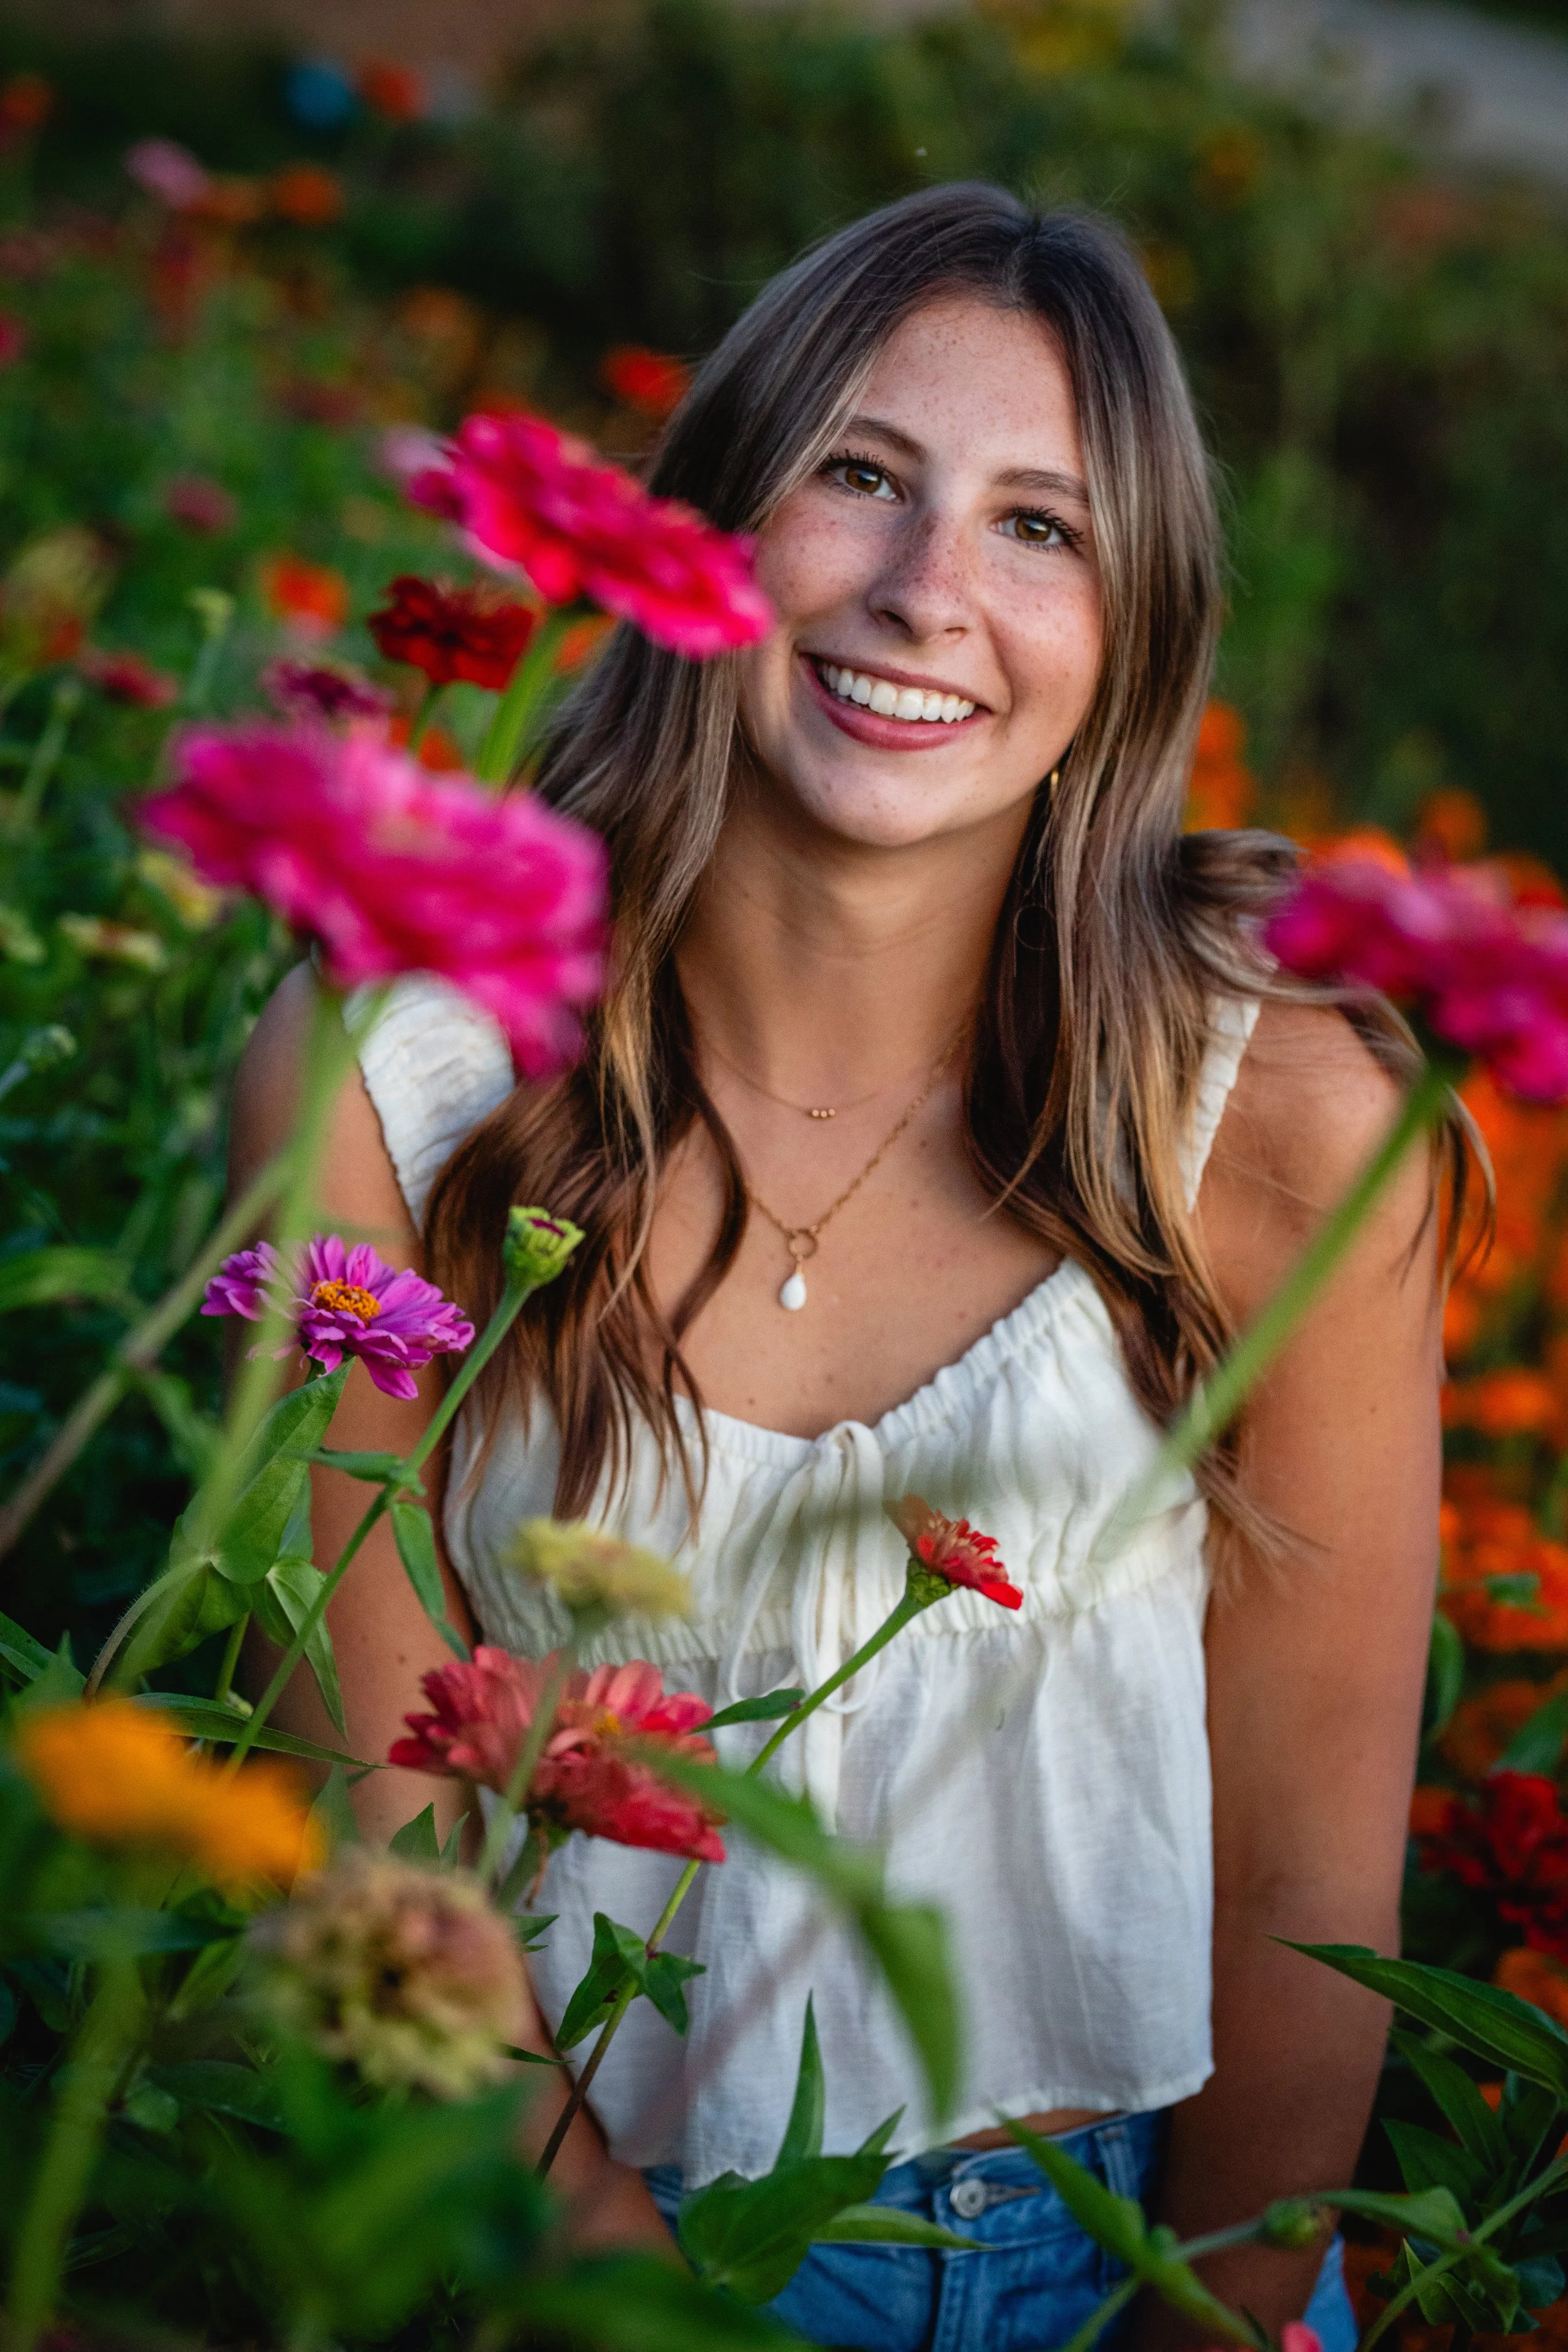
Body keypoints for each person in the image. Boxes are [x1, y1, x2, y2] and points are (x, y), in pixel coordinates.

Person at [230, 184, 1458, 2348]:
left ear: (1132, 625)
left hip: (1127, 2260)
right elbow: (365, 1804)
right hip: (513, 2231)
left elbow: (1306, 1892)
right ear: (708, 526)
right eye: (860, 477)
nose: (922, 595)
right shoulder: (395, 1065)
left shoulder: (1268, 1128)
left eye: (1036, 528)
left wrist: (1215, 2316)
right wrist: (595, 2266)